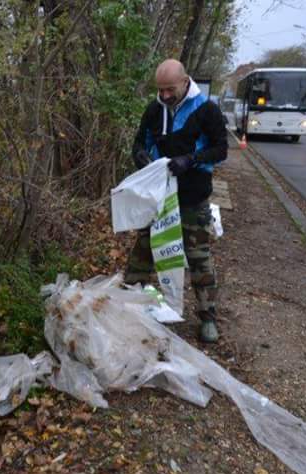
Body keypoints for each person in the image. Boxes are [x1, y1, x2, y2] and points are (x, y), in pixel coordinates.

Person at [126, 59, 227, 343]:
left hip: (193, 199)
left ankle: (208, 317)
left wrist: (192, 159)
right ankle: (131, 307)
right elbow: (138, 142)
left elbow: (221, 149)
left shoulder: (206, 110)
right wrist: (140, 157)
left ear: (185, 82)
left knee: (199, 259)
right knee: (141, 255)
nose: (165, 95)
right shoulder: (154, 109)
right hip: (157, 199)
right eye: (160, 90)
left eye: (170, 89)